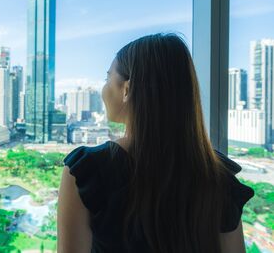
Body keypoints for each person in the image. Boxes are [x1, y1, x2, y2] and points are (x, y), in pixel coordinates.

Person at [57, 33, 255, 253]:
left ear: (127, 90)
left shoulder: (88, 172)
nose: (103, 89)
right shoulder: (217, 175)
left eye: (107, 78)